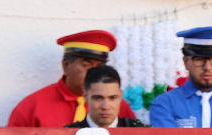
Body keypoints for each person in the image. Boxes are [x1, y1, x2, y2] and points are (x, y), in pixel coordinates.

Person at [8, 30, 137, 128]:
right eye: (86, 65)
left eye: (100, 66)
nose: (94, 73)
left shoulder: (118, 107)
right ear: (66, 65)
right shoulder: (33, 106)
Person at [65, 65, 146, 128]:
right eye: (98, 98)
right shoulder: (68, 134)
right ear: (85, 96)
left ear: (120, 96)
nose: (106, 107)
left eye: (112, 98)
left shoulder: (140, 132)